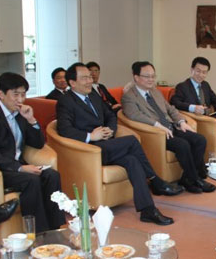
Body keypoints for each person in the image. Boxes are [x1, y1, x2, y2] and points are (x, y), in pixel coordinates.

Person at [57, 62, 181, 225]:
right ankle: (155, 180)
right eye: (85, 78)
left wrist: (111, 129)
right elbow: (64, 130)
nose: (90, 80)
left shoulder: (93, 94)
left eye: (90, 77)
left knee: (132, 161)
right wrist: (90, 136)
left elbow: (110, 114)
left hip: (108, 145)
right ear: (72, 82)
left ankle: (148, 210)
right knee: (131, 141)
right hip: (88, 150)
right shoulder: (65, 101)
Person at [0, 72, 65, 232]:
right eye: (15, 94)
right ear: (1, 94)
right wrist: (20, 168)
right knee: (31, 180)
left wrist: (31, 120)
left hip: (17, 165)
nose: (21, 100)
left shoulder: (20, 113)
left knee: (52, 175)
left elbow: (37, 143)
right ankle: (38, 232)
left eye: (23, 94)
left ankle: (56, 228)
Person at [122, 61, 216, 194]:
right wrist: (158, 125)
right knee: (182, 144)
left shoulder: (155, 92)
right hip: (157, 133)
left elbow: (171, 109)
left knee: (200, 139)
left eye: (153, 76)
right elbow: (135, 115)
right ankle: (195, 179)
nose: (151, 79)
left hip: (172, 127)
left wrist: (181, 122)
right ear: (136, 77)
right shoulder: (129, 96)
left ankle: (187, 179)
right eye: (147, 76)